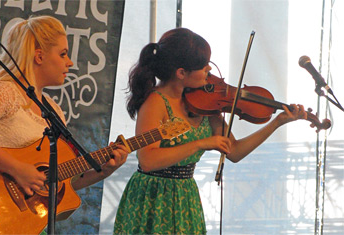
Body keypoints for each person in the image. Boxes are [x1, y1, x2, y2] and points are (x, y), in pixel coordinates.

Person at [113, 27, 307, 234]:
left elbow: (235, 151)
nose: (210, 70)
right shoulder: (156, 102)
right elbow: (148, 160)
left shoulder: (205, 103)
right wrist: (199, 143)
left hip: (185, 196)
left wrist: (276, 122)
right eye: (203, 66)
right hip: (153, 196)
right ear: (181, 73)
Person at [0, 15, 129, 214]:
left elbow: (61, 182)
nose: (70, 62)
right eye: (63, 54)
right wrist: (16, 169)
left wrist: (105, 171)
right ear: (39, 56)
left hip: (21, 219)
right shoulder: (3, 92)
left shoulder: (53, 111)